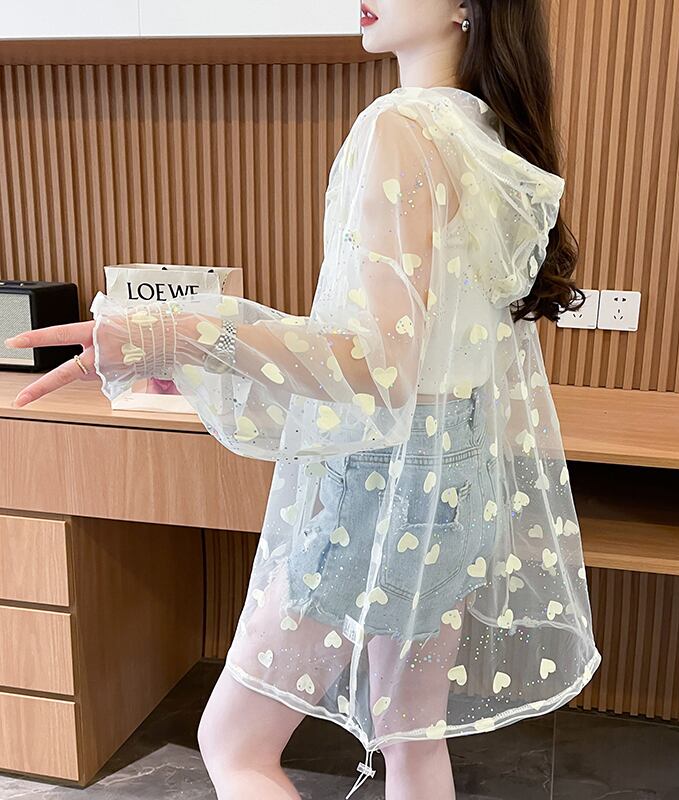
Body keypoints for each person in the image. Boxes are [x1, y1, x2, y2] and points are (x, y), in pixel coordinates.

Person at [5, 1, 601, 798]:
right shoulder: (489, 138)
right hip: (455, 469)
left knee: (234, 744)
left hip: (385, 475)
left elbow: (375, 364)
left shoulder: (400, 126)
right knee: (412, 741)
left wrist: (178, 334)